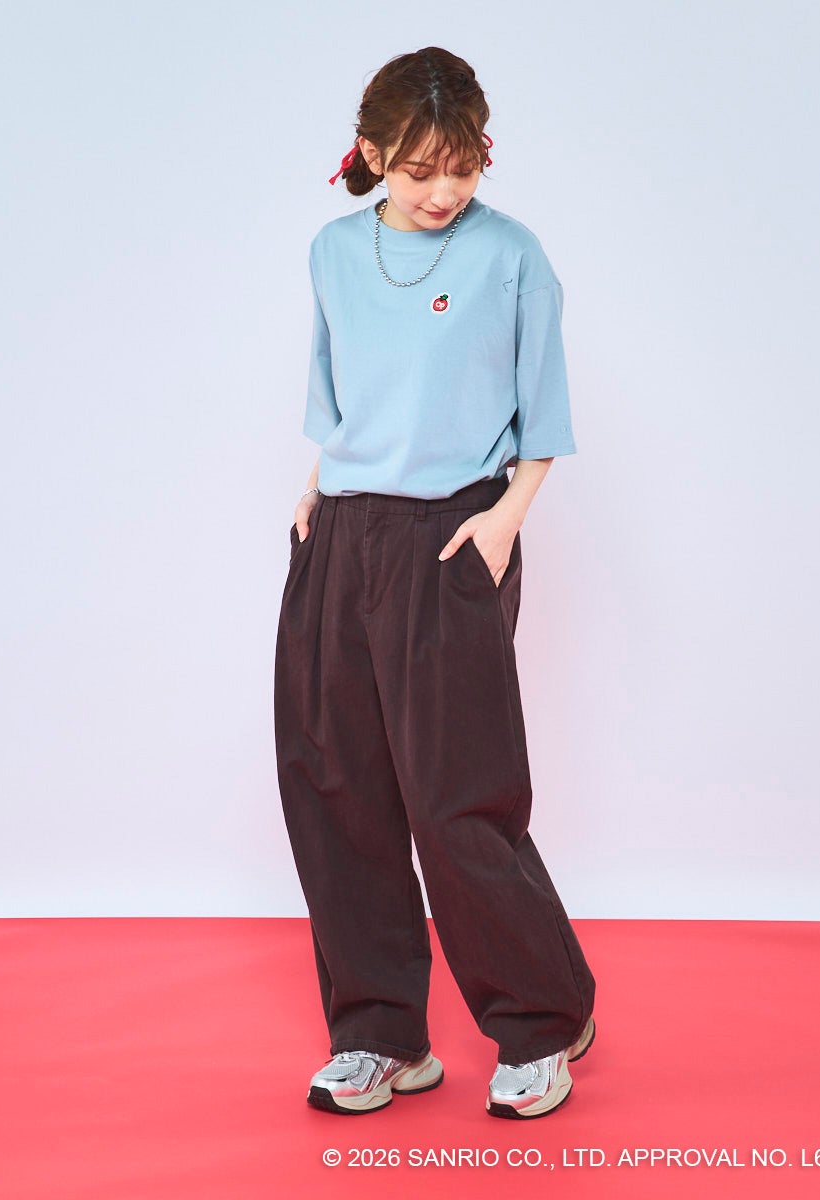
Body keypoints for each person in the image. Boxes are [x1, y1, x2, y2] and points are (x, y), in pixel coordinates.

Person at [274, 45, 597, 1120]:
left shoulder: (510, 255)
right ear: (371, 154)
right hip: (342, 532)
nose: (443, 191)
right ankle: (380, 1036)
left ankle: (543, 1022)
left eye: (461, 167)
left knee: (458, 798)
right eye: (419, 170)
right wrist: (315, 492)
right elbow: (339, 396)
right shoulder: (332, 250)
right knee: (336, 788)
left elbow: (542, 416)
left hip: (456, 530)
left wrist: (503, 523)